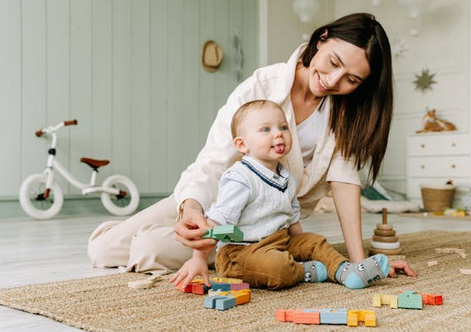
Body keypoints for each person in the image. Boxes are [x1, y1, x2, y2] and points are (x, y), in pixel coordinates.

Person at [87, 13, 416, 278]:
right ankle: (169, 229)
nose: (333, 80)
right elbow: (213, 161)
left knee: (149, 249)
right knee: (102, 250)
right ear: (322, 38)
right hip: (218, 196)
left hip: (265, 223)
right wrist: (190, 208)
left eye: (351, 79)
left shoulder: (345, 114)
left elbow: (344, 183)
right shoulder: (263, 85)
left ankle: (247, 251)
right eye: (333, 62)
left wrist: (359, 262)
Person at [170, 99, 391, 290]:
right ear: (242, 144)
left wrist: (303, 247)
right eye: (266, 129)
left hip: (279, 241)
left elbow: (292, 217)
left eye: (283, 127)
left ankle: (347, 272)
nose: (278, 134)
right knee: (278, 267)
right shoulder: (240, 178)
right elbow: (216, 223)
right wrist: (198, 258)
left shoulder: (286, 176)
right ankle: (303, 271)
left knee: (315, 242)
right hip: (241, 253)